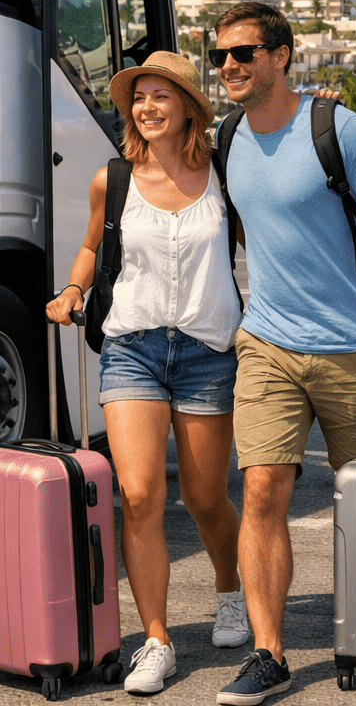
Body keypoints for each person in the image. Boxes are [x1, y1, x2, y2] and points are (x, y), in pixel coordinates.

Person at [209, 2, 356, 706]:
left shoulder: (338, 128)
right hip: (268, 343)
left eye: (243, 53)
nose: (229, 66)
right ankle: (268, 653)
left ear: (281, 56)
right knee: (262, 489)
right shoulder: (228, 136)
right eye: (220, 56)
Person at [46, 52, 249, 696]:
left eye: (161, 96)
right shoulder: (113, 179)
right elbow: (91, 245)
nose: (147, 107)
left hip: (206, 350)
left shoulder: (224, 174)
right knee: (137, 495)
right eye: (138, 97)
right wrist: (72, 289)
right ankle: (156, 640)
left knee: (206, 498)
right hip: (132, 346)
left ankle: (230, 590)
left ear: (189, 107)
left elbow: (265, 243)